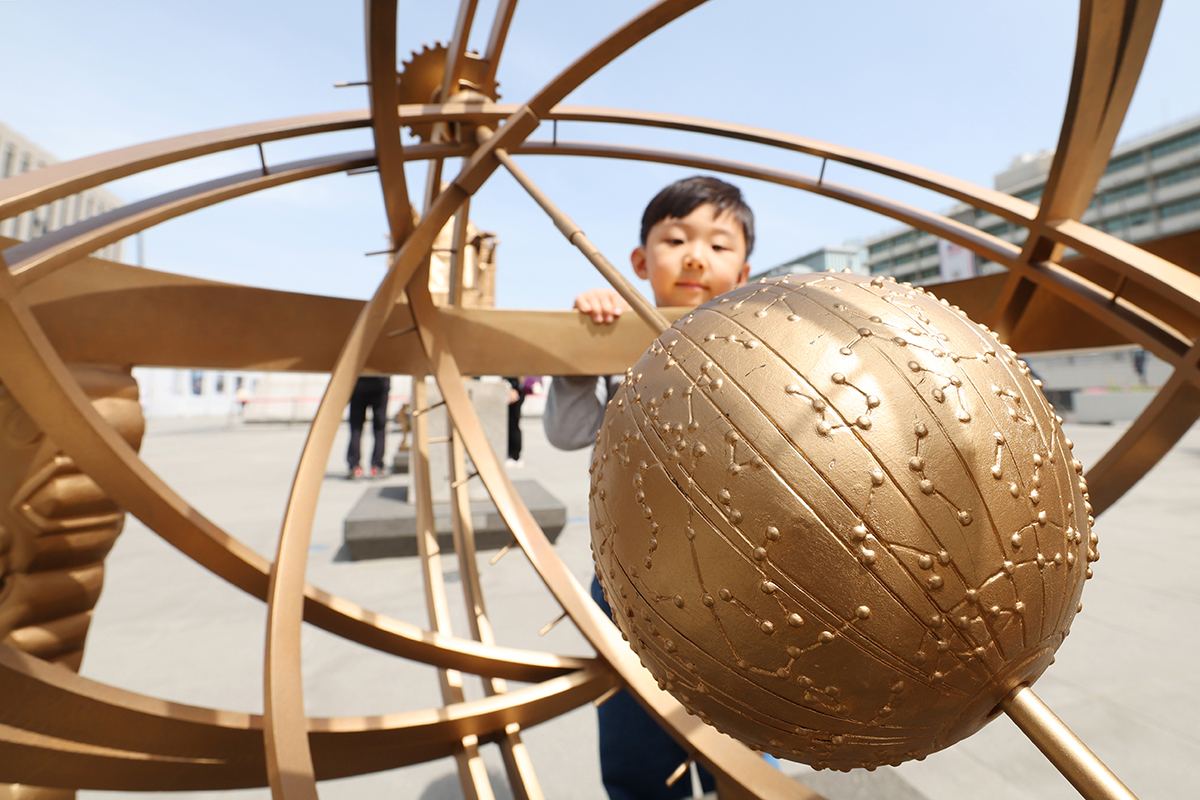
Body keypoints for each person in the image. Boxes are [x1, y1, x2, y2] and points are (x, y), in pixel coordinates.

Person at [544, 176, 753, 800]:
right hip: (630, 590)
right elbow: (566, 432)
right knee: (637, 760)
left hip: (746, 595)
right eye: (676, 239)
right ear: (640, 261)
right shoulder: (625, 341)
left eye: (718, 246)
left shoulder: (760, 342)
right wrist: (584, 349)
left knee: (745, 752)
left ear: (744, 270)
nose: (695, 256)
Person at [347, 375, 390, 479]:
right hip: (380, 382)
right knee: (379, 428)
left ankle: (355, 466)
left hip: (359, 382)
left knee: (356, 428)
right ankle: (377, 466)